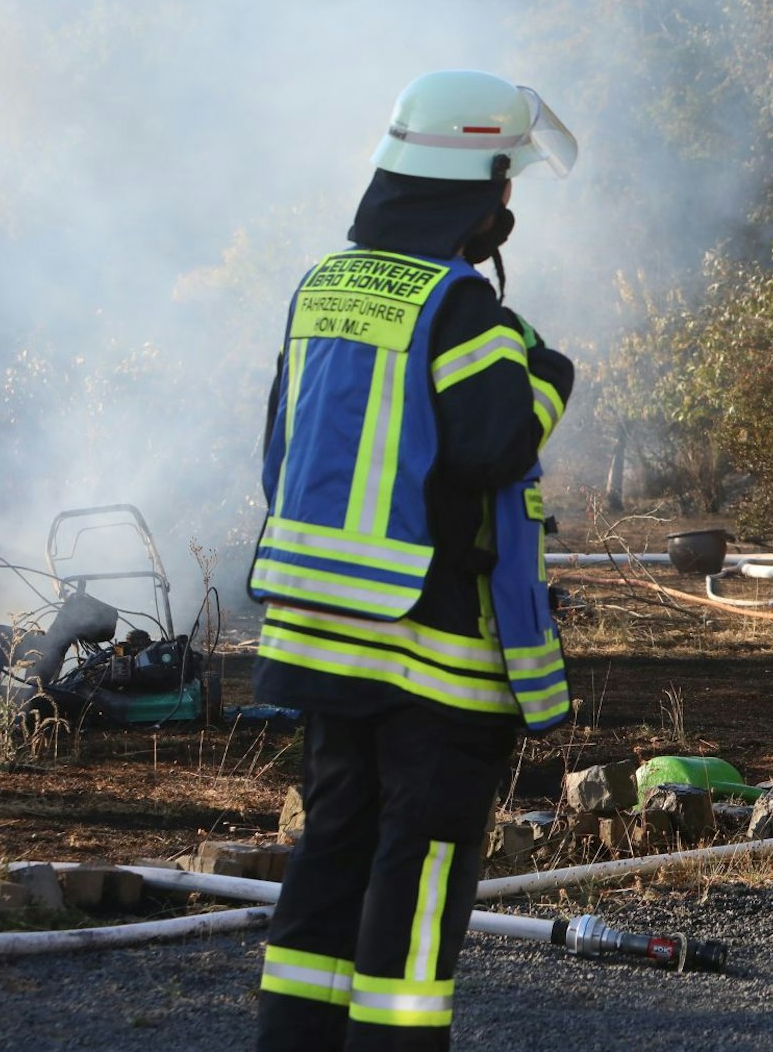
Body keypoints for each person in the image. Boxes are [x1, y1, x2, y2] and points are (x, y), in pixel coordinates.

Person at [248, 69, 578, 1050]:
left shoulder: (323, 287)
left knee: (333, 848)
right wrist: (548, 379)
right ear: (472, 188)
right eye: (505, 183)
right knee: (421, 867)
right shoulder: (461, 308)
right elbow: (493, 447)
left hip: (319, 638)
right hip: (430, 654)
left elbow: (281, 452)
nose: (508, 204)